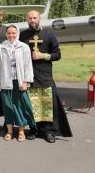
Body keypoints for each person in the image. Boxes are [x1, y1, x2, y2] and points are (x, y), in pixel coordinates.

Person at [20, 10, 72, 143]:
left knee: (47, 104)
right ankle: (34, 129)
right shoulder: (23, 35)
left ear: (39, 19)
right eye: (30, 18)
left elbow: (57, 55)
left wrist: (43, 55)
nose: (32, 20)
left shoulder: (49, 34)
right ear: (27, 20)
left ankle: (49, 131)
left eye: (35, 18)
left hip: (45, 75)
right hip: (29, 76)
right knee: (32, 104)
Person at [0, 25, 36, 142]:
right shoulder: (1, 47)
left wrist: (26, 81)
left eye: (13, 33)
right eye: (9, 33)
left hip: (20, 81)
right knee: (8, 106)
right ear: (6, 34)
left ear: (17, 33)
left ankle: (21, 131)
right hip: (6, 81)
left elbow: (28, 65)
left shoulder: (24, 47)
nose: (11, 35)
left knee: (20, 106)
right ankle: (10, 131)